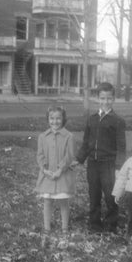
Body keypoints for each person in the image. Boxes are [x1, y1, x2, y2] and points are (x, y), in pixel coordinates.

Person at [76, 82, 126, 233]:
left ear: (113, 99)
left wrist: (118, 167)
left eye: (109, 98)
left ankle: (111, 225)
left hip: (109, 165)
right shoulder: (91, 119)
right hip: (93, 163)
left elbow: (121, 147)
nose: (105, 102)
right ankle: (95, 224)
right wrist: (79, 159)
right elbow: (86, 142)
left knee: (111, 196)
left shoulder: (118, 121)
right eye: (102, 98)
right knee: (94, 194)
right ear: (97, 98)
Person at [35, 106, 77, 248]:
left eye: (58, 118)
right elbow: (40, 155)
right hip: (47, 175)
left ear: (63, 119)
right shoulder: (42, 136)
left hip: (62, 175)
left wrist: (60, 170)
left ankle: (64, 229)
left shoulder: (68, 136)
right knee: (47, 201)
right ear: (48, 119)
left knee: (63, 202)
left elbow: (69, 155)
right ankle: (47, 228)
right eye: (52, 118)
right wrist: (44, 169)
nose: (55, 121)